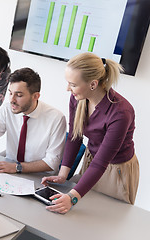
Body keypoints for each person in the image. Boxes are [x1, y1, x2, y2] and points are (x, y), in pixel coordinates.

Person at [42, 52, 139, 214]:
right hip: (92, 161)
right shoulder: (78, 98)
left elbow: (102, 162)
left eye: (72, 84)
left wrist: (72, 197)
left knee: (108, 220)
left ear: (93, 84)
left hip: (117, 170)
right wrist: (63, 173)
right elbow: (75, 136)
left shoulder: (121, 112)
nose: (68, 89)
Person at [0, 68, 66, 174]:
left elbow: (52, 162)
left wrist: (17, 167)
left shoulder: (56, 118)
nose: (12, 100)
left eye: (19, 95)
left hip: (40, 176)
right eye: (10, 93)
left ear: (35, 96)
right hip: (10, 172)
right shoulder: (7, 109)